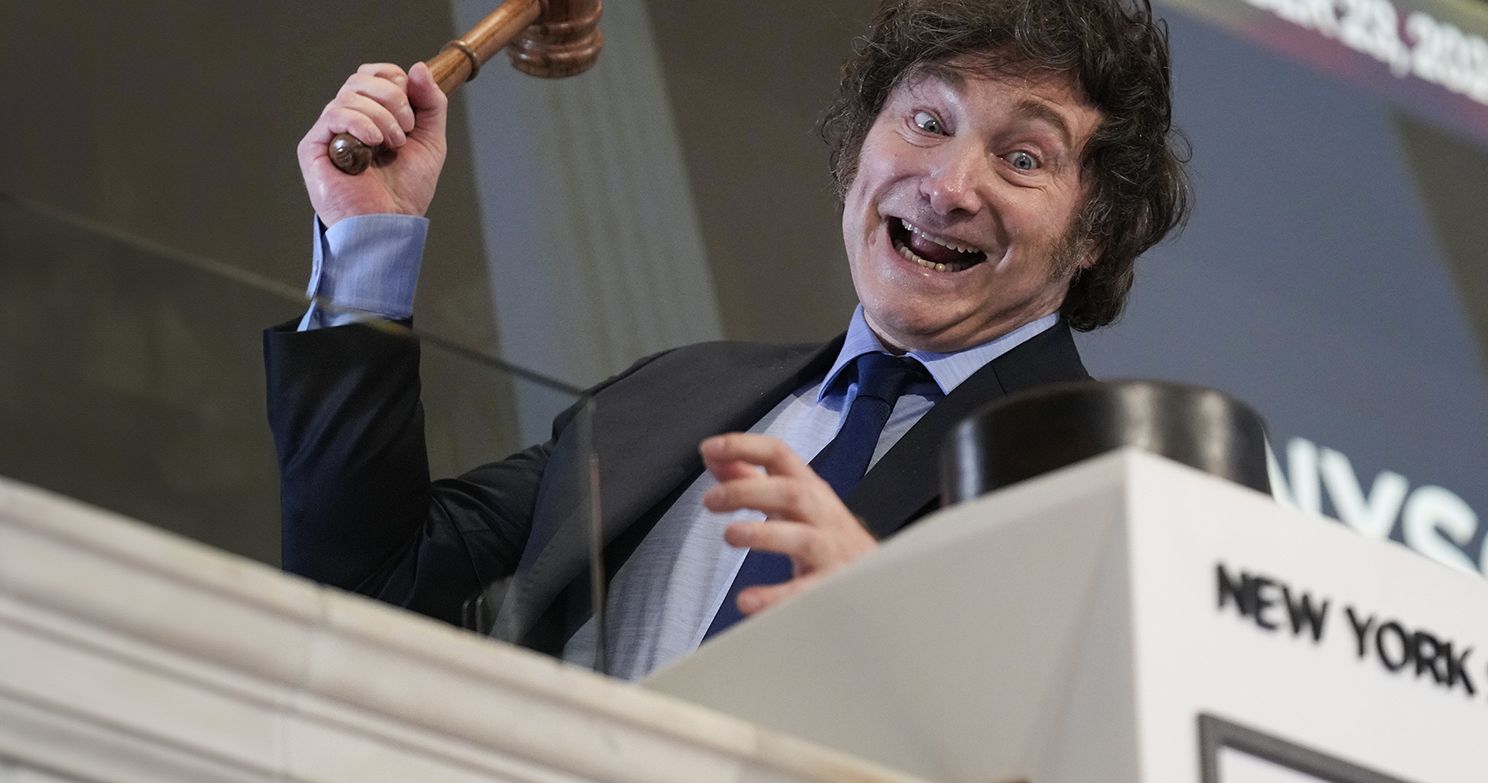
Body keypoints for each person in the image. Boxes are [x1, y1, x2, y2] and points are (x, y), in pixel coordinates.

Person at [266, 0, 1191, 679]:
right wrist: (366, 246)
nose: (950, 185)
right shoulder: (674, 394)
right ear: (856, 150)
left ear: (1098, 228)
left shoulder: (1128, 475)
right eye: (925, 121)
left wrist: (893, 635)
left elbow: (1145, 764)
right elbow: (369, 583)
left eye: (1022, 158)